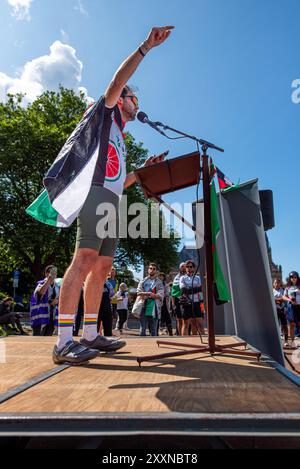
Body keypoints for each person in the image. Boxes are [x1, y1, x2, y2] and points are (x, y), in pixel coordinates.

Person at [51, 26, 174, 364]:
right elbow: (116, 81)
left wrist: (142, 170)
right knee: (84, 260)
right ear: (122, 100)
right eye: (134, 99)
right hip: (94, 195)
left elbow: (121, 180)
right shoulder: (106, 115)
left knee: (103, 267)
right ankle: (63, 341)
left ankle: (90, 333)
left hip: (112, 200)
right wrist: (146, 46)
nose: (137, 104)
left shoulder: (120, 135)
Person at [30, 265, 59, 336]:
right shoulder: (41, 283)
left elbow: (59, 298)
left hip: (51, 317)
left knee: (47, 340)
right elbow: (40, 293)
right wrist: (48, 280)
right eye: (51, 272)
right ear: (46, 274)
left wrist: (56, 301)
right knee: (37, 340)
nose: (53, 274)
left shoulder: (57, 286)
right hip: (40, 318)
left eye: (54, 272)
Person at [137, 263, 164, 336]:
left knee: (154, 330)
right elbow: (138, 292)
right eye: (150, 268)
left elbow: (161, 294)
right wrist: (149, 294)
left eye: (154, 269)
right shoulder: (143, 281)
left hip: (154, 307)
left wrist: (153, 295)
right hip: (143, 305)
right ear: (148, 270)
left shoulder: (159, 282)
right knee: (142, 329)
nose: (152, 270)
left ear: (156, 271)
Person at [179, 260, 204, 336]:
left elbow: (201, 289)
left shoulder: (198, 278)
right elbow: (183, 290)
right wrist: (195, 289)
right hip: (187, 303)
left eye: (191, 267)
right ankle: (184, 343)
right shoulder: (182, 278)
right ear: (185, 268)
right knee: (186, 324)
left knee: (199, 324)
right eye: (187, 267)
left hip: (197, 302)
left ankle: (201, 343)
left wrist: (189, 289)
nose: (189, 268)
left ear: (194, 268)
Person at [283, 271, 300, 349]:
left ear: (297, 277)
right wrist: (289, 300)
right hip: (291, 308)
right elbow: (284, 297)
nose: (293, 278)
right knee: (292, 325)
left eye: (295, 277)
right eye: (292, 277)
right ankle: (293, 342)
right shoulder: (287, 287)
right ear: (290, 278)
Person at [171, 262, 186, 335]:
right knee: (179, 319)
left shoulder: (189, 276)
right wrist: (173, 303)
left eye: (184, 266)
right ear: (179, 268)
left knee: (186, 319)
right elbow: (173, 292)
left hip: (187, 299)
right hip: (178, 300)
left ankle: (186, 334)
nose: (183, 267)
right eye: (182, 266)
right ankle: (179, 335)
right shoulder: (176, 277)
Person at [273, 278, 288, 347]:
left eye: (278, 283)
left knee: (284, 325)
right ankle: (275, 340)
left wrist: (277, 299)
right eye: (276, 283)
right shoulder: (272, 291)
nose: (277, 284)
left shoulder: (283, 290)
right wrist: (280, 299)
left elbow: (286, 298)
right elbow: (272, 299)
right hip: (275, 310)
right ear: (273, 284)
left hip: (282, 309)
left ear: (280, 284)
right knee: (275, 325)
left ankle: (286, 341)